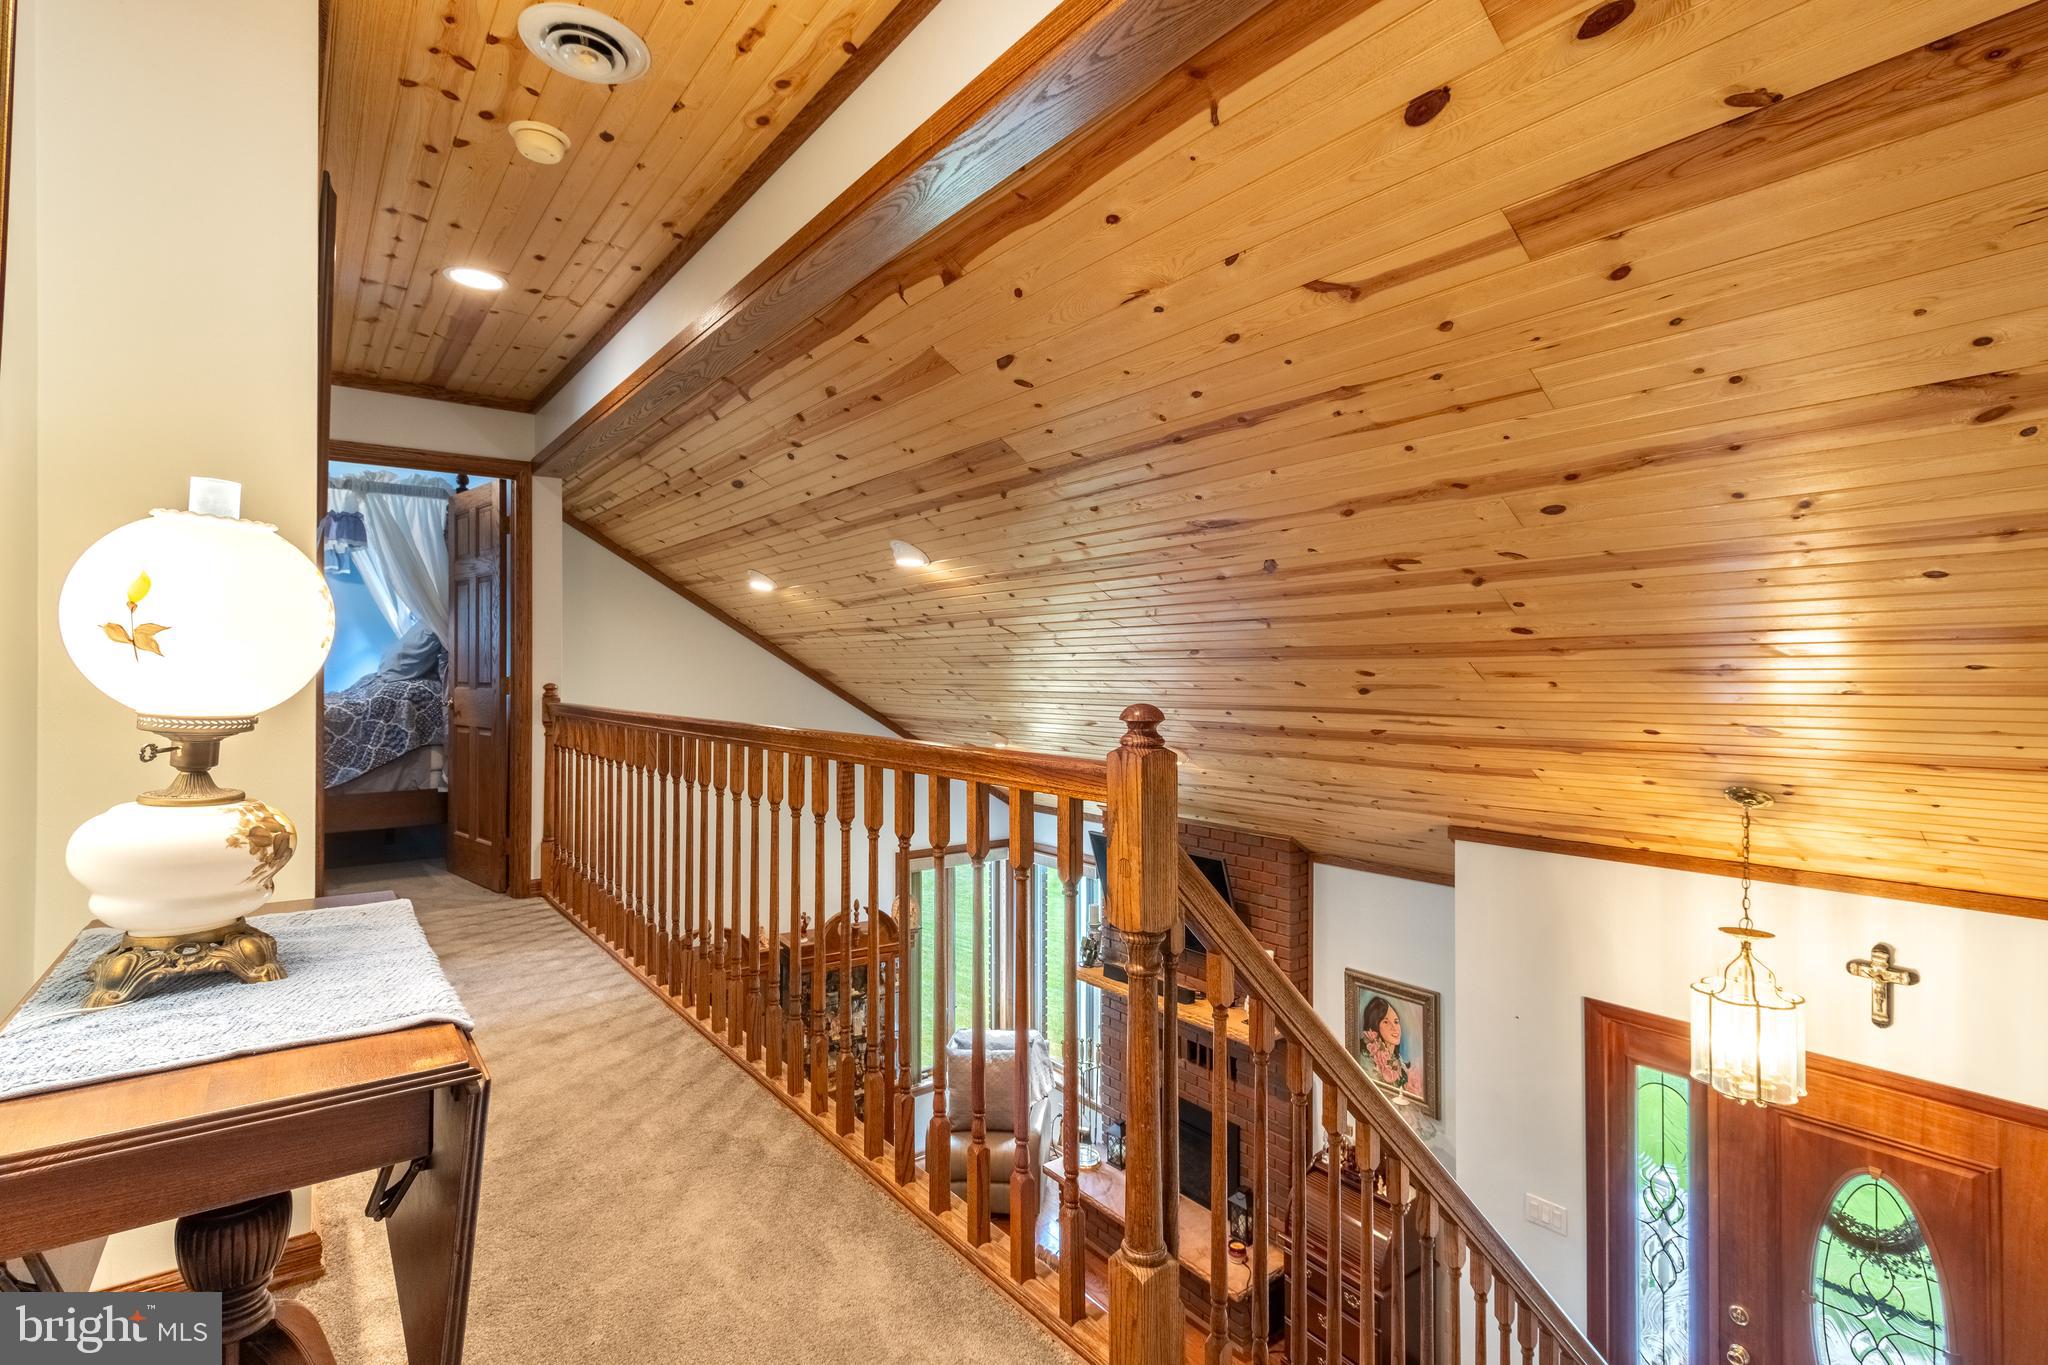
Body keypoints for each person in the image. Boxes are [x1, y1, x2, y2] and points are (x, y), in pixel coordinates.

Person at [1360, 995, 1424, 1099]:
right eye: (1386, 1022)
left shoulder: (1401, 1065)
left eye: (1396, 1022)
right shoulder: (1366, 1058)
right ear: (1375, 1024)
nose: (1394, 1028)